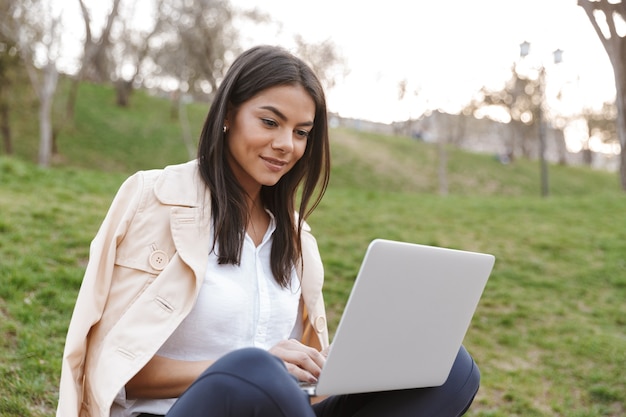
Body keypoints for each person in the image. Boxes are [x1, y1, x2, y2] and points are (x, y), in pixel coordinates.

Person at [56, 45, 480, 417]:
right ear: (228, 115)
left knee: (452, 369)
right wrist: (255, 363)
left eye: (301, 133)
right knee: (252, 371)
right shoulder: (154, 198)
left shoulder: (295, 236)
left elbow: (297, 387)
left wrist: (328, 365)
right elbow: (113, 365)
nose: (286, 145)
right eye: (270, 122)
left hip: (280, 407)